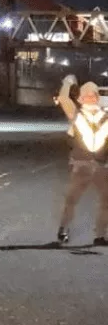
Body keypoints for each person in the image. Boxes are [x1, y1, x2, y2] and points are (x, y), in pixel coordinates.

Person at [56, 75, 108, 245]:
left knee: (106, 200)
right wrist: (67, 82)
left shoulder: (106, 117)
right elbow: (63, 98)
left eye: (92, 95)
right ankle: (63, 228)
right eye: (85, 95)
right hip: (81, 164)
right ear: (80, 98)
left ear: (97, 98)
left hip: (102, 165)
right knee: (71, 199)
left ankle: (100, 236)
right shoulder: (76, 114)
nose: (89, 98)